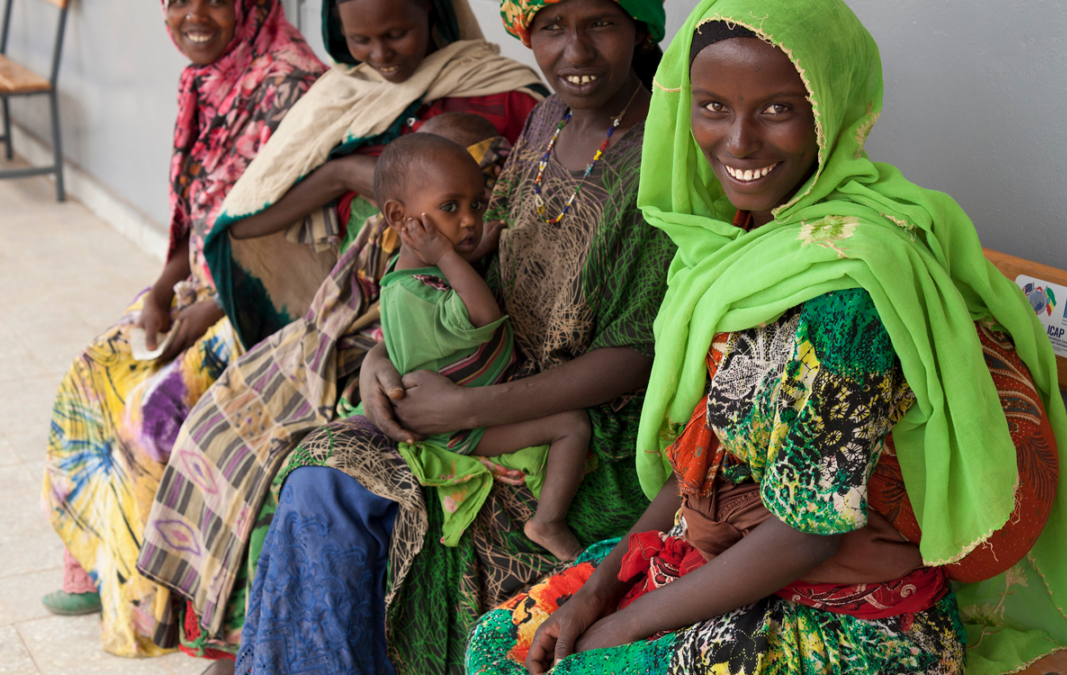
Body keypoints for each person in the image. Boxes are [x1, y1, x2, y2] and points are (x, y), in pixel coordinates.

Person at [464, 1, 1067, 674]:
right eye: (712, 106)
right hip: (726, 556)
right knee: (501, 642)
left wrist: (623, 624)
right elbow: (700, 455)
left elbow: (805, 533)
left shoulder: (848, 291)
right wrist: (596, 595)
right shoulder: (743, 247)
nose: (738, 140)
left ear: (831, 112)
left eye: (778, 109)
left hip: (842, 618)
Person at [136, 0, 673, 672]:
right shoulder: (545, 120)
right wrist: (385, 359)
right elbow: (468, 256)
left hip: (578, 431)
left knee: (375, 510)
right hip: (475, 369)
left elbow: (637, 354)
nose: (577, 52)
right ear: (525, 29)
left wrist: (469, 408)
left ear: (640, 28)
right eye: (553, 27)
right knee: (317, 468)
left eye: (601, 23)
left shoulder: (661, 157)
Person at [39, 0, 325, 657]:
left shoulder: (292, 88)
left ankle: (148, 613)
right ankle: (95, 558)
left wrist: (211, 307)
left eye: (216, 0)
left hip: (270, 306)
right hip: (205, 288)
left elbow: (299, 246)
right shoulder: (206, 77)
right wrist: (166, 288)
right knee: (90, 372)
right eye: (177, 0)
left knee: (150, 414)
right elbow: (192, 218)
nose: (193, 15)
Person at [201, 0, 548, 350]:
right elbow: (244, 225)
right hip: (335, 320)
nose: (380, 54)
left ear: (432, 10)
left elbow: (546, 213)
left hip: (456, 326)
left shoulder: (503, 94)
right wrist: (344, 173)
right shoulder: (337, 98)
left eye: (396, 34)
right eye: (359, 39)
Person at [363, 132, 591, 560]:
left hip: (469, 401)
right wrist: (452, 257)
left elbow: (454, 274)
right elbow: (483, 314)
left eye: (476, 205)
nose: (469, 220)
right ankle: (548, 522)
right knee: (573, 425)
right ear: (398, 216)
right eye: (450, 207)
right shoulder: (419, 296)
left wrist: (466, 251)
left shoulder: (408, 270)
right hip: (460, 428)